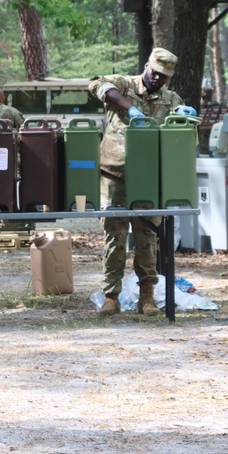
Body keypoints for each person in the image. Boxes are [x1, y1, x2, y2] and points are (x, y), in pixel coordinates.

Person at [88, 47, 182, 316]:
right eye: (155, 72)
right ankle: (111, 297)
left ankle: (147, 297)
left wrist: (184, 114)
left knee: (147, 240)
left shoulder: (171, 99)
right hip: (114, 176)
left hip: (148, 180)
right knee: (114, 239)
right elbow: (95, 83)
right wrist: (130, 108)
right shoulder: (124, 85)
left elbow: (180, 133)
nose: (158, 79)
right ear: (146, 65)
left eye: (164, 76)